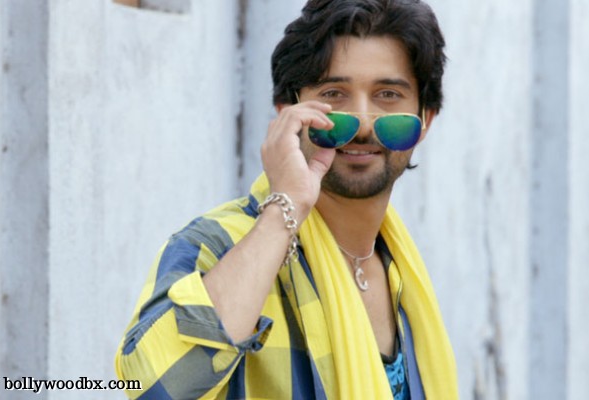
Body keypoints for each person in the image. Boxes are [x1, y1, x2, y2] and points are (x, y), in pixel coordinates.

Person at [115, 0, 458, 398]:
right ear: (287, 113)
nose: (363, 124)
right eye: (334, 93)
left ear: (425, 119)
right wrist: (285, 211)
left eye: (388, 94)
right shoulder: (218, 246)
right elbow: (153, 388)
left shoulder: (403, 273)